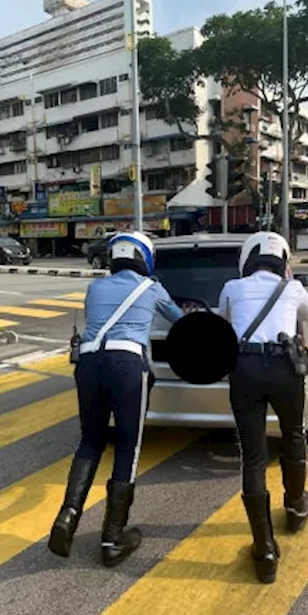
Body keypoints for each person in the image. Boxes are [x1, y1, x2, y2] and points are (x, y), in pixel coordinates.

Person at [49, 231, 185, 567]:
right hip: (127, 366)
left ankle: (67, 516)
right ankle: (112, 537)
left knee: (90, 442)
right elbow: (180, 321)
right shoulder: (151, 287)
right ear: (145, 258)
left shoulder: (95, 288)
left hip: (89, 364)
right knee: (128, 446)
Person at [219, 231, 308, 584]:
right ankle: (295, 506)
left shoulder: (232, 287)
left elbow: (223, 319)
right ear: (284, 261)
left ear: (249, 258)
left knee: (253, 456)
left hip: (243, 369)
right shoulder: (293, 289)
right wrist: (290, 283)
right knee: (293, 434)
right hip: (285, 368)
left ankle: (264, 550)